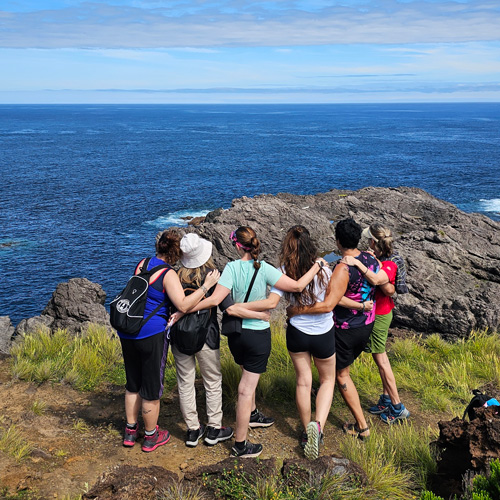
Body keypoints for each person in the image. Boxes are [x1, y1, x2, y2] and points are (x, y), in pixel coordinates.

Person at [183, 226, 326, 458]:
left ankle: (252, 415)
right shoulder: (267, 269)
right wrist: (318, 266)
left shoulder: (230, 268)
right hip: (258, 336)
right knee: (245, 390)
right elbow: (298, 286)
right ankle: (240, 445)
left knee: (244, 380)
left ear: (238, 245)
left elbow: (215, 301)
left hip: (236, 335)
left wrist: (184, 308)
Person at [117, 230, 220, 453]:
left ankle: (130, 431)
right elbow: (182, 305)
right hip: (150, 334)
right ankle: (152, 436)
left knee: (132, 384)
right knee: (151, 388)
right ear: (175, 253)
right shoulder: (168, 274)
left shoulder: (142, 264)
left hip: (128, 331)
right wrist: (205, 286)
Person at [288, 218, 379, 441]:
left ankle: (362, 426)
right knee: (332, 373)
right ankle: (323, 410)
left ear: (337, 241)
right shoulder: (369, 259)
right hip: (366, 324)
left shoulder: (342, 268)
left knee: (340, 375)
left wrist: (299, 309)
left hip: (346, 328)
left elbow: (330, 304)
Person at [170, 233, 234, 448]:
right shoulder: (213, 275)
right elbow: (227, 305)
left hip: (180, 335)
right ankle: (214, 428)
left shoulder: (174, 276)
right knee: (212, 381)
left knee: (185, 382)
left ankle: (192, 430)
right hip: (207, 334)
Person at [344, 223, 410, 424]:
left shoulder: (389, 264)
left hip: (380, 314)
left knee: (381, 360)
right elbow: (387, 288)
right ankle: (386, 398)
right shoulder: (383, 258)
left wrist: (358, 264)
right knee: (379, 357)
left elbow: (374, 279)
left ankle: (398, 407)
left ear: (374, 241)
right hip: (380, 311)